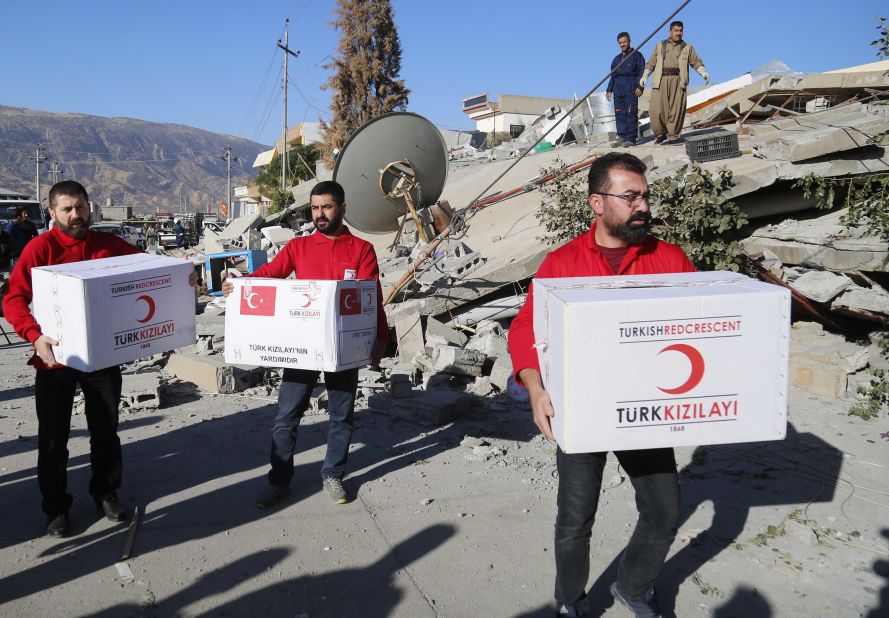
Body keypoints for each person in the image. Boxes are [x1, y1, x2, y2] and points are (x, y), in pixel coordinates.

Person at [508, 153, 696, 617]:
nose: (643, 206)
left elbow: (700, 325)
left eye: (646, 196)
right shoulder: (561, 263)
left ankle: (632, 587)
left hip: (645, 412)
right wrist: (534, 387)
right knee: (575, 522)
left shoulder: (669, 260)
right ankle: (570, 601)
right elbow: (525, 329)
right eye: (630, 196)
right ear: (597, 202)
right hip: (581, 412)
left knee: (665, 512)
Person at [2, 180, 198, 538]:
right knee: (53, 438)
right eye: (67, 209)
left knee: (105, 431)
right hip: (55, 359)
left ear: (90, 207)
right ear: (52, 213)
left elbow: (150, 270)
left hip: (103, 357)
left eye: (80, 207)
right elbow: (12, 298)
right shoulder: (39, 249)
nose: (75, 214)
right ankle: (56, 509)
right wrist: (34, 335)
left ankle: (106, 493)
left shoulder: (110, 246)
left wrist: (184, 275)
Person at [222, 180, 389, 507]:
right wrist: (241, 285)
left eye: (326, 207)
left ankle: (333, 475)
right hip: (303, 348)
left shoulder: (361, 250)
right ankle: (279, 481)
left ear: (342, 208)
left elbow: (372, 299)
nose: (320, 214)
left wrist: (380, 339)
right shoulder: (298, 248)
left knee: (341, 417)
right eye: (315, 208)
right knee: (286, 417)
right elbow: (270, 274)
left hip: (342, 351)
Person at [639, 21, 709, 144]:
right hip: (660, 80)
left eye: (680, 31)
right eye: (676, 31)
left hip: (678, 80)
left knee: (676, 110)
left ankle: (672, 136)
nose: (678, 33)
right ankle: (660, 134)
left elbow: (696, 62)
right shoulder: (660, 45)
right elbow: (651, 63)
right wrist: (645, 76)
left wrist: (702, 71)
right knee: (656, 110)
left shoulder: (687, 47)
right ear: (670, 31)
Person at [606, 32, 646, 148]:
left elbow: (642, 73)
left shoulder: (636, 56)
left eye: (624, 42)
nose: (622, 44)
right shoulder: (616, 59)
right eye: (620, 43)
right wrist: (609, 90)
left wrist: (640, 87)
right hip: (618, 89)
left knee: (630, 112)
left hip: (631, 87)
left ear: (629, 41)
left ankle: (630, 138)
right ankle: (622, 137)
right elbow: (613, 76)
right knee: (619, 113)